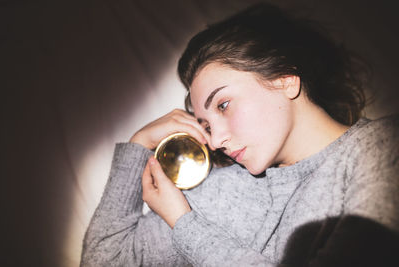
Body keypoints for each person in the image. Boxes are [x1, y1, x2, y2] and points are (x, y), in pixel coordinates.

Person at [80, 3, 399, 266]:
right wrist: (139, 145)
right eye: (205, 124)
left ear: (286, 79)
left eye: (223, 104)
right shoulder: (228, 190)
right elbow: (104, 260)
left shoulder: (383, 146)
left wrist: (186, 226)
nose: (216, 140)